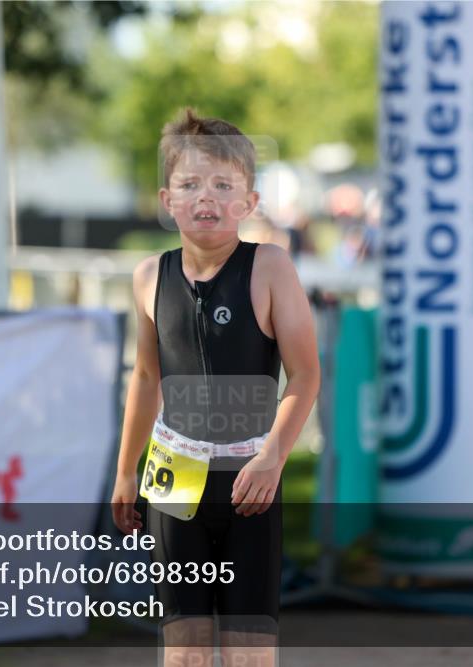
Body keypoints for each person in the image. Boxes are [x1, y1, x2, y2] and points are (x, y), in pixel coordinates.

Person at [109, 108, 320, 667]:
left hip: (251, 482)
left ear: (249, 203)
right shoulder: (150, 276)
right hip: (174, 485)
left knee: (251, 654)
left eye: (224, 185)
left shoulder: (269, 268)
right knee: (185, 651)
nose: (206, 197)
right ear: (167, 200)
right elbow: (148, 377)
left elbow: (305, 374)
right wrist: (126, 469)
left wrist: (273, 458)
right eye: (190, 184)